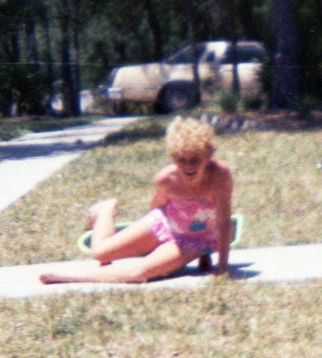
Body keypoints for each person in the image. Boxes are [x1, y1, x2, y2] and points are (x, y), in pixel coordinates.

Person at [39, 117, 234, 285]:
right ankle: (105, 209)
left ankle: (66, 277)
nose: (189, 165)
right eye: (182, 159)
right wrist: (151, 243)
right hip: (166, 223)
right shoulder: (165, 179)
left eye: (196, 159)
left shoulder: (220, 176)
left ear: (208, 156)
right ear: (173, 156)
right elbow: (157, 208)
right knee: (100, 253)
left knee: (140, 273)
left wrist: (222, 266)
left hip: (196, 239)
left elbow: (224, 222)